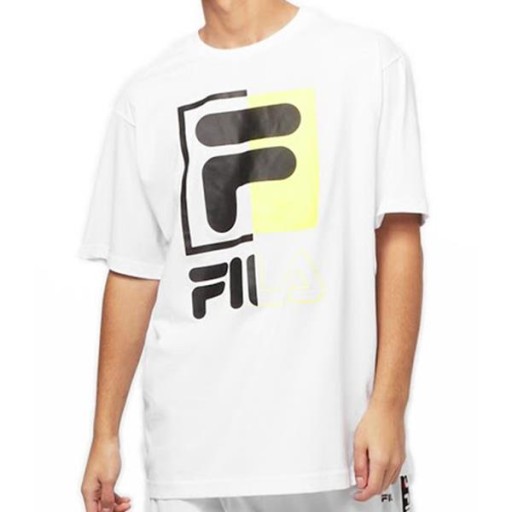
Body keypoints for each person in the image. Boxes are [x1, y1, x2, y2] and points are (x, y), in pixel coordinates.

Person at [78, 1, 429, 511]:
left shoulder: (366, 62)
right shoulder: (147, 96)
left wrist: (390, 404)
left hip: (332, 451)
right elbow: (134, 272)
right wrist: (105, 434)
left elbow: (398, 237)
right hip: (191, 462)